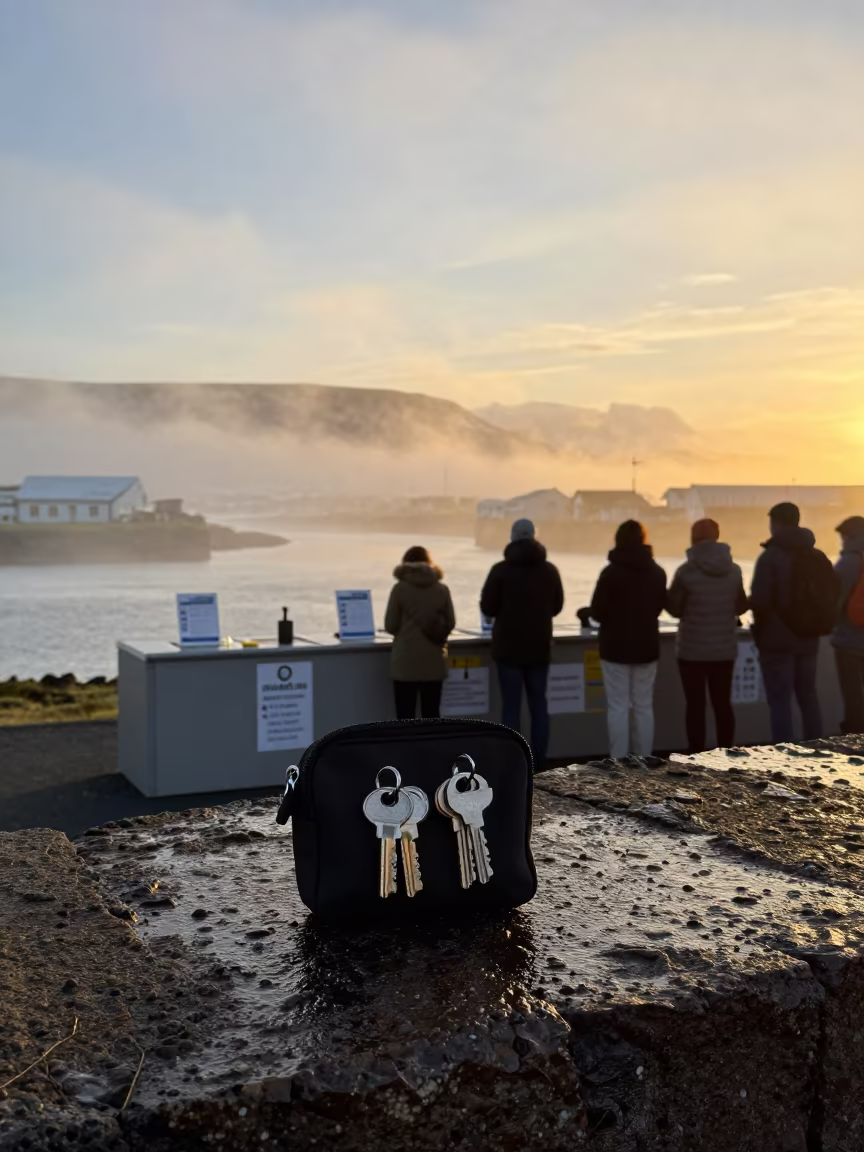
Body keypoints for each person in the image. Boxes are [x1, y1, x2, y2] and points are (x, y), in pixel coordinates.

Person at [749, 502, 837, 743]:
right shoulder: (817, 555)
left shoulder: (770, 557)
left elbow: (760, 600)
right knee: (808, 696)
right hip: (809, 637)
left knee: (780, 700)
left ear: (775, 523)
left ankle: (784, 753)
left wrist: (762, 633)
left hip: (777, 640)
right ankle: (817, 750)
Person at [480, 518, 564, 767]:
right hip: (539, 648)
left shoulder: (500, 570)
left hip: (508, 650)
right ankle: (539, 761)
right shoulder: (549, 570)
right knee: (539, 706)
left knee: (511, 707)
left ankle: (512, 763)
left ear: (512, 537)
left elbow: (488, 606)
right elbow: (557, 606)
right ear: (535, 536)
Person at [666, 518, 748, 752]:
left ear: (693, 538)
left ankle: (696, 754)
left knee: (695, 705)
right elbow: (741, 606)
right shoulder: (734, 571)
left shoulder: (685, 571)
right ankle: (726, 752)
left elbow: (674, 609)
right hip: (723, 649)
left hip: (691, 650)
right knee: (722, 704)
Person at [589, 520, 667, 759]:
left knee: (618, 705)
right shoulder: (657, 572)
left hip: (615, 647)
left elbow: (597, 612)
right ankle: (645, 758)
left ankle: (618, 759)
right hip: (646, 646)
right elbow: (659, 606)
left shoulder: (610, 573)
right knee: (643, 706)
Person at [384, 545, 455, 720]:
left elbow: (391, 625)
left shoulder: (399, 589)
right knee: (431, 715)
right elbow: (450, 623)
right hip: (434, 662)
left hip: (405, 663)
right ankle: (431, 747)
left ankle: (406, 747)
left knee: (405, 716)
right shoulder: (442, 589)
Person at [831, 515, 864, 735]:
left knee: (852, 694)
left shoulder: (849, 562)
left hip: (850, 640)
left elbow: (834, 600)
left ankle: (856, 740)